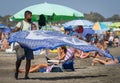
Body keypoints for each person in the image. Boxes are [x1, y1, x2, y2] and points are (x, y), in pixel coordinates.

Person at [12, 10, 34, 79]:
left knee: (29, 59)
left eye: (31, 15)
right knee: (19, 59)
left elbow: (33, 33)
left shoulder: (31, 24)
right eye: (29, 15)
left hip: (29, 44)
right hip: (21, 44)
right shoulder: (21, 23)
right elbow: (14, 31)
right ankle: (16, 70)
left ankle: (26, 75)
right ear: (25, 16)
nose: (31, 17)